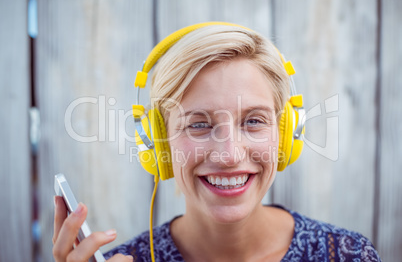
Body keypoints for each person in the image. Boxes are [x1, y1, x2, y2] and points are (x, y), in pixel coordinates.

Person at [53, 23, 381, 261]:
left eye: (253, 121)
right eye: (198, 124)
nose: (229, 155)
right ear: (159, 142)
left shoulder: (347, 254)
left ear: (285, 133)